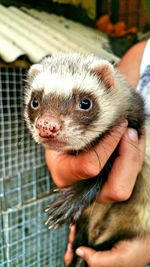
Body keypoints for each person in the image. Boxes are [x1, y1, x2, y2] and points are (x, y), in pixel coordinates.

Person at [45, 39, 150, 267]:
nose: (48, 122)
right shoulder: (141, 55)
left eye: (83, 104)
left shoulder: (131, 121)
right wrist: (61, 162)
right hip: (94, 218)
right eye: (36, 103)